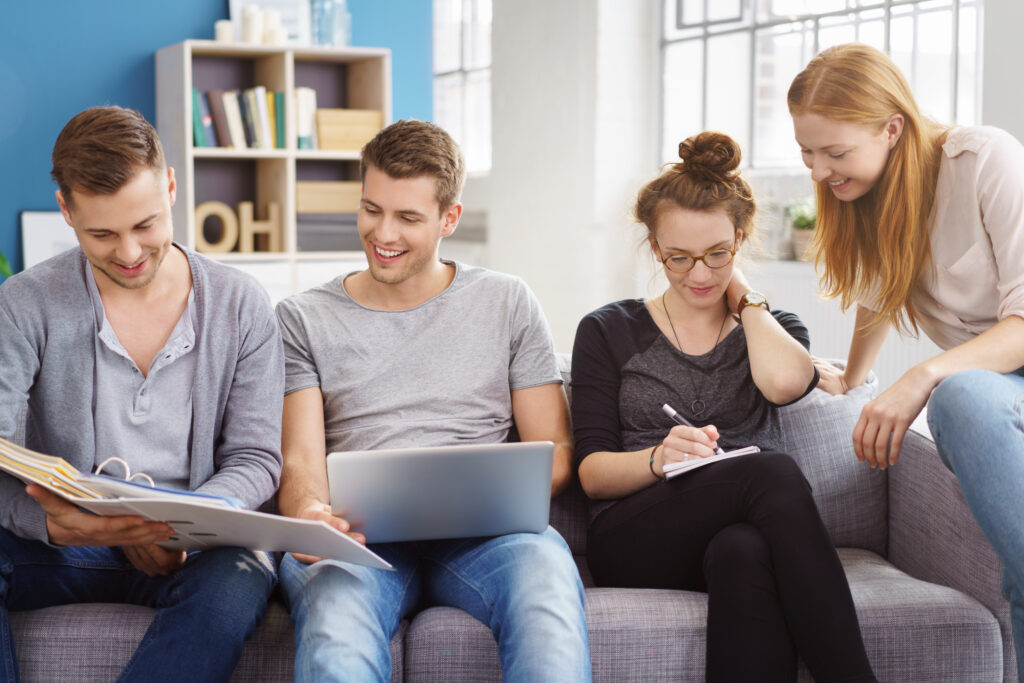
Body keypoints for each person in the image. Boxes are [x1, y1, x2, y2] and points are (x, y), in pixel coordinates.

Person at [275, 119, 590, 683]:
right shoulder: (301, 319)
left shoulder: (507, 301)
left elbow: (557, 448)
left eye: (408, 218)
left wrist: (486, 495)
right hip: (358, 538)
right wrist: (309, 515)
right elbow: (299, 460)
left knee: (547, 581)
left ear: (449, 219)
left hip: (487, 539)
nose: (383, 233)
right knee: (335, 630)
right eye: (371, 209)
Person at [571, 130, 877, 682]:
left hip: (735, 534)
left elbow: (785, 383)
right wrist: (658, 459)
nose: (699, 275)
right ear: (654, 247)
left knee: (743, 550)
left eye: (717, 254)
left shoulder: (774, 329)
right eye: (678, 258)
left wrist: (747, 300)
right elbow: (591, 475)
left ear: (739, 240)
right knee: (767, 471)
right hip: (635, 537)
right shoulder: (607, 330)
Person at [0, 106, 284, 681]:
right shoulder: (25, 302)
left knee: (241, 576)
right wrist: (55, 526)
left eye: (146, 225)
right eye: (101, 234)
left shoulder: (241, 303)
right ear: (66, 211)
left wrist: (188, 523)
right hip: (73, 543)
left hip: (200, 550)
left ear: (172, 187)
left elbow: (256, 457)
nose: (129, 253)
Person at [788, 41, 1024, 677]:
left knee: (959, 394)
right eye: (807, 153)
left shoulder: (985, 161)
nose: (817, 172)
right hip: (994, 389)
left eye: (834, 152)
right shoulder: (870, 197)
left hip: (999, 376)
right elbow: (877, 292)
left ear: (892, 128)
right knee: (967, 397)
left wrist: (920, 376)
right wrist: (856, 379)